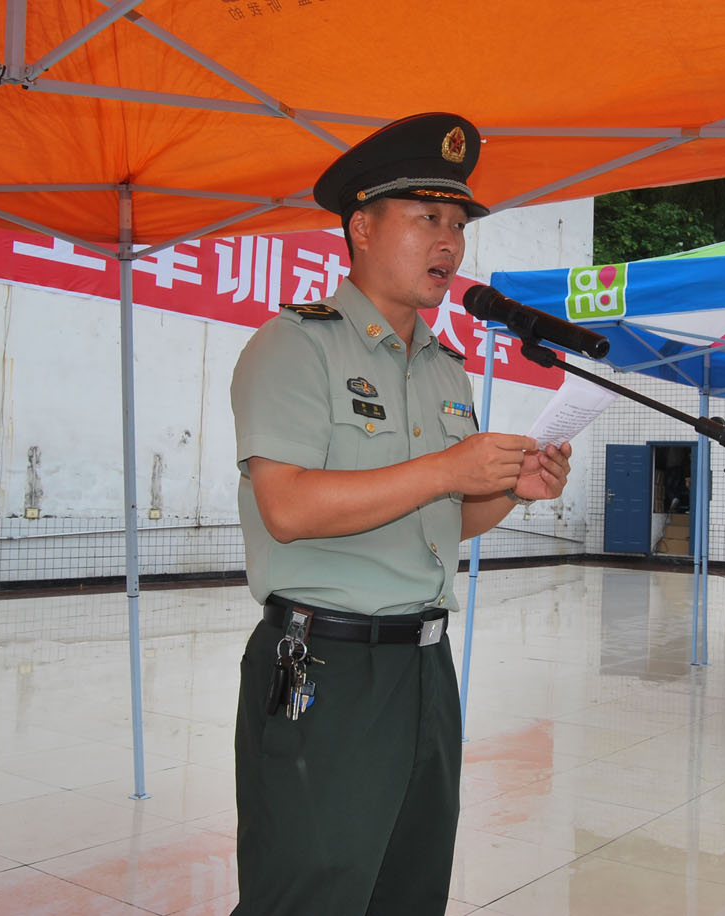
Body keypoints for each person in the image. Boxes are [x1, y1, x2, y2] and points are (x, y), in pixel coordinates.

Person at [229, 112, 572, 916]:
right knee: (314, 889)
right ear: (361, 226)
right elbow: (286, 508)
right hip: (326, 665)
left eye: (458, 224)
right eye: (428, 218)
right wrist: (448, 467)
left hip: (424, 665)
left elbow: (441, 520)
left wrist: (505, 492)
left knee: (409, 888)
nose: (449, 242)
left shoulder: (444, 369)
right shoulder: (294, 347)